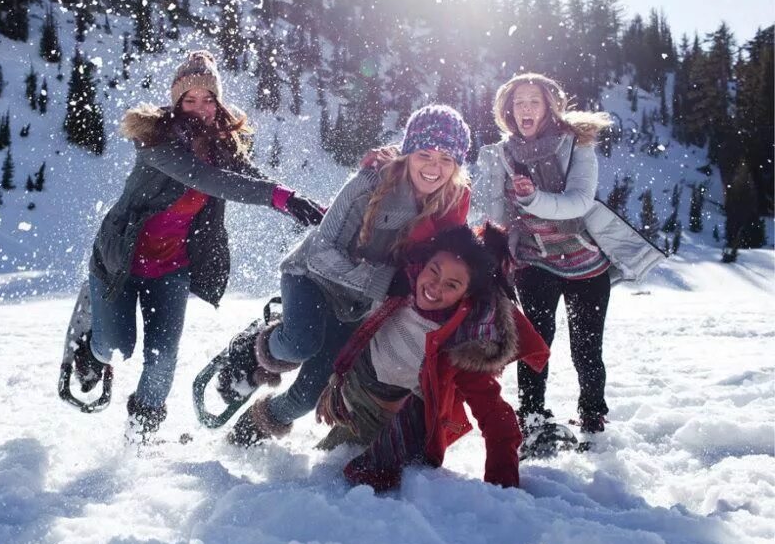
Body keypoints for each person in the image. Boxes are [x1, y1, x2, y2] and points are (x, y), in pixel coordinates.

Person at [70, 50, 325, 442]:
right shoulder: (153, 141)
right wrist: (280, 197)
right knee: (115, 349)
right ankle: (91, 340)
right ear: (175, 103)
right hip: (119, 261)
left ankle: (141, 437)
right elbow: (210, 180)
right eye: (189, 100)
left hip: (171, 268)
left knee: (162, 360)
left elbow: (247, 175)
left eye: (208, 99)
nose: (199, 108)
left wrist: (301, 204)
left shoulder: (220, 144)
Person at [224, 104, 474, 447]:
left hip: (356, 305)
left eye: (447, 160)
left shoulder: (450, 200)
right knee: (301, 343)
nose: (434, 168)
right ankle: (253, 345)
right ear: (408, 152)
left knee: (311, 393)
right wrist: (387, 281)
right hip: (311, 279)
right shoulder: (370, 183)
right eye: (425, 155)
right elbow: (320, 253)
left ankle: (260, 423)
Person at [471, 72, 664, 438]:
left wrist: (532, 199)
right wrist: (491, 182)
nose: (525, 108)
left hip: (585, 264)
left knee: (587, 348)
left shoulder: (576, 144)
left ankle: (592, 416)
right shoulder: (500, 155)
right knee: (534, 344)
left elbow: (579, 201)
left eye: (534, 101)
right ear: (508, 110)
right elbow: (495, 216)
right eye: (519, 102)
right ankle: (532, 418)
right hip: (534, 262)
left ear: (549, 107)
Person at [314, 224, 550, 491]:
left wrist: (503, 488)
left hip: (381, 422)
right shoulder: (397, 282)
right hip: (347, 386)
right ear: (424, 263)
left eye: (452, 285)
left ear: (467, 295)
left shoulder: (461, 342)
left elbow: (498, 419)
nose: (435, 287)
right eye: (434, 271)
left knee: (330, 480)